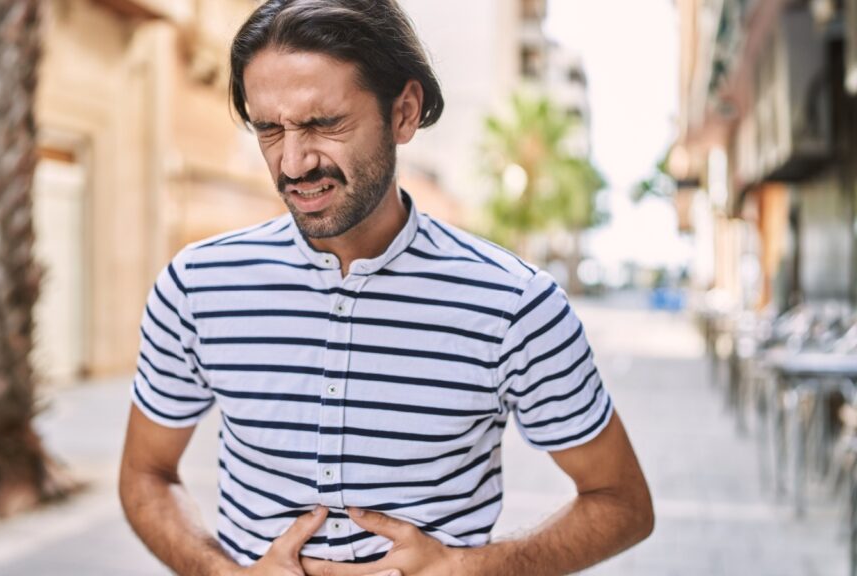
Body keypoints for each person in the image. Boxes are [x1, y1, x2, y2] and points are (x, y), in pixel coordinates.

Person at [118, 1, 654, 574]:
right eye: (269, 129)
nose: (293, 162)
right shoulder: (196, 286)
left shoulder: (515, 305)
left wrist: (469, 569)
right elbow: (143, 476)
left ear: (404, 112)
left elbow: (622, 504)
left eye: (324, 123)